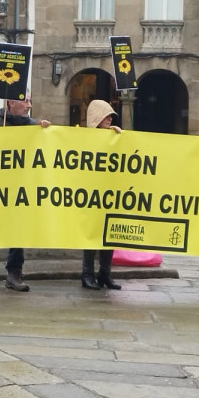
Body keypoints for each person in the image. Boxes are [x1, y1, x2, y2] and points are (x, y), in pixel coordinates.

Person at [0, 94, 51, 294]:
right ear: (10, 103)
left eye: (30, 101)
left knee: (18, 232)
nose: (29, 105)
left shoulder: (33, 126)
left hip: (20, 189)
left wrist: (46, 133)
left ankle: (14, 274)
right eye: (24, 101)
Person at [81, 100, 123, 291]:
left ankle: (105, 273)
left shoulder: (113, 136)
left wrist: (119, 138)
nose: (110, 118)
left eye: (110, 115)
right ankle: (87, 274)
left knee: (110, 234)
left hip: (110, 192)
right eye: (106, 115)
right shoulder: (83, 138)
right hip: (91, 194)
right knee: (91, 235)